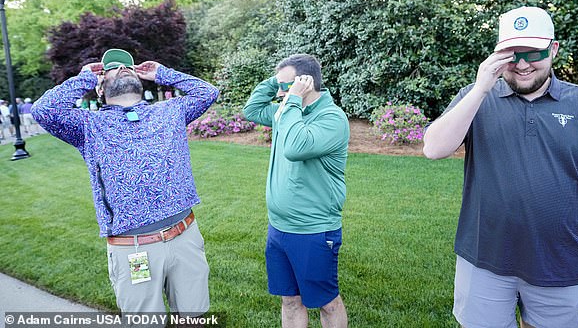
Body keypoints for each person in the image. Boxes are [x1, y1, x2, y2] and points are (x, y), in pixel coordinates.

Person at [423, 6, 578, 327]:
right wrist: (481, 88)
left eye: (533, 52)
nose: (522, 64)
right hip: (484, 262)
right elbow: (434, 148)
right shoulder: (476, 98)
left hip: (562, 264)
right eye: (511, 54)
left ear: (553, 49)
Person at [32, 48, 219, 317]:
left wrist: (162, 73)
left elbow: (208, 92)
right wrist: (84, 78)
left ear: (141, 81)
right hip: (134, 250)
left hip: (185, 237)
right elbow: (44, 110)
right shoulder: (87, 125)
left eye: (128, 67)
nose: (122, 68)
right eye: (112, 68)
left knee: (195, 318)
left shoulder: (171, 111)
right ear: (99, 88)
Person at [243, 54, 350, 328]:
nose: (281, 93)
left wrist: (291, 100)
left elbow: (295, 148)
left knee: (327, 303)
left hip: (313, 229)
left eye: (286, 86)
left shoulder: (332, 118)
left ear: (306, 83)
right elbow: (252, 110)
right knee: (290, 300)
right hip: (278, 228)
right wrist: (276, 82)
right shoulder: (286, 111)